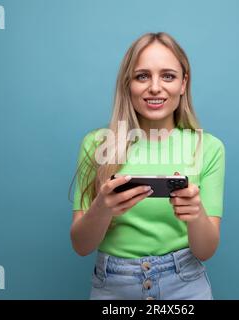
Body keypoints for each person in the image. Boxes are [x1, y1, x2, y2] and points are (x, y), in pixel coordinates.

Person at [69, 32, 225, 300]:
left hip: (185, 286)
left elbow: (206, 251)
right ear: (128, 83)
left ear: (183, 83)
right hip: (114, 287)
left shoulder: (208, 147)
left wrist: (195, 212)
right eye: (142, 76)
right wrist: (102, 208)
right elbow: (81, 246)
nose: (155, 87)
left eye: (168, 76)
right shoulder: (97, 145)